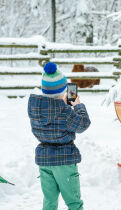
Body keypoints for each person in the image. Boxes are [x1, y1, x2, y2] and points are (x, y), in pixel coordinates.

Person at [27, 62, 91, 210]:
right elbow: (84, 124)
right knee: (74, 203)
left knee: (49, 201)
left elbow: (52, 115)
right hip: (64, 161)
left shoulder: (35, 109)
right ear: (64, 92)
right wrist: (77, 105)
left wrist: (63, 105)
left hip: (44, 160)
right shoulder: (66, 112)